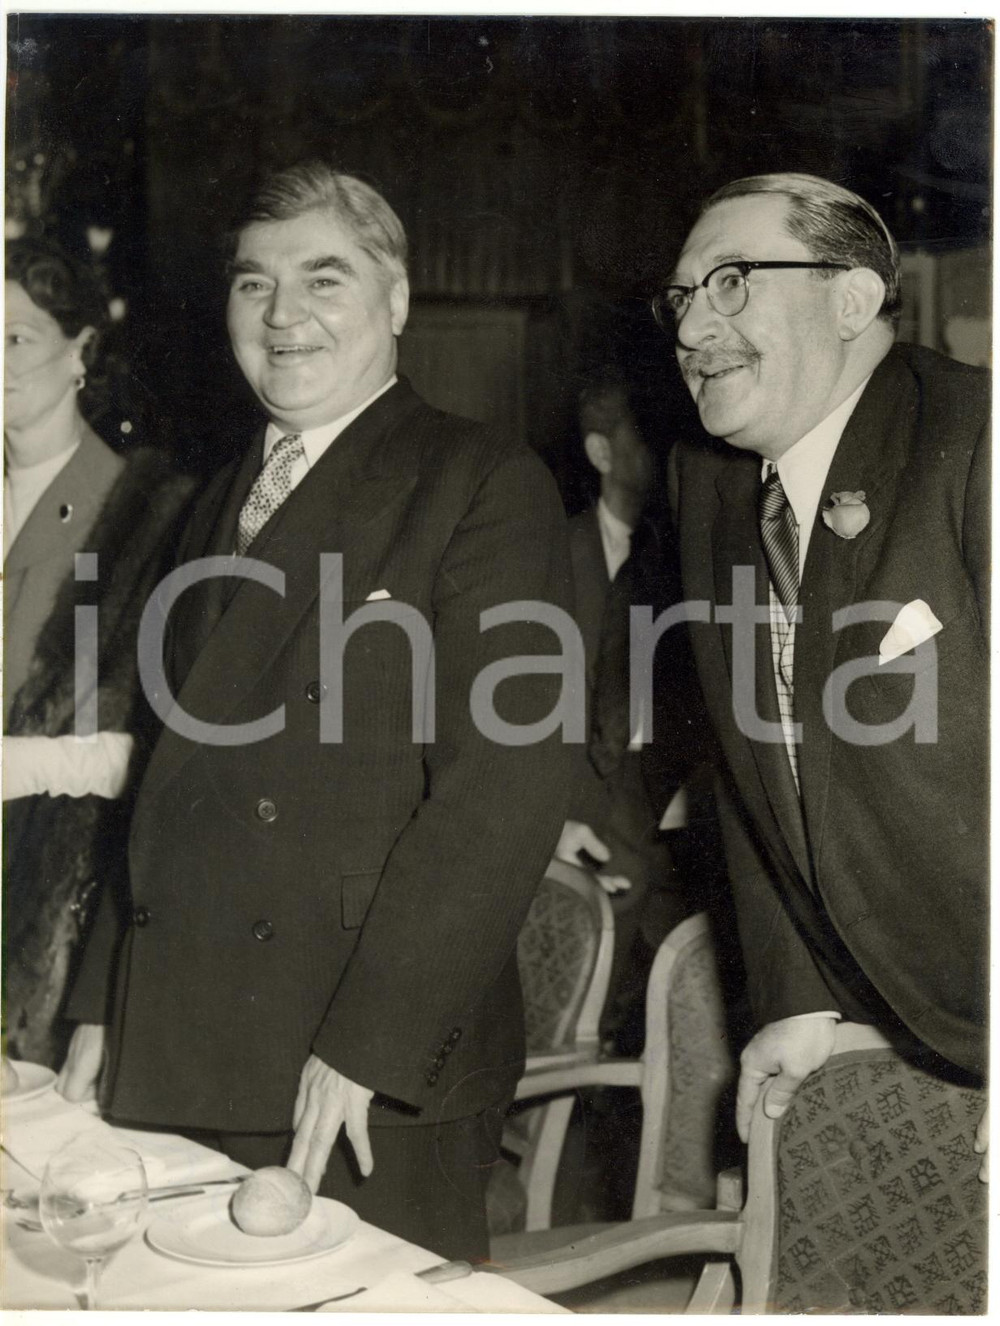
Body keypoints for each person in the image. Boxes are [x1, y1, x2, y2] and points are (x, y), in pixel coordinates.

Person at [58, 162, 573, 1260]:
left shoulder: (480, 481)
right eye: (253, 285)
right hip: (188, 1024)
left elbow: (503, 790)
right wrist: (109, 991)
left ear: (394, 303)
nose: (283, 316)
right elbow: (169, 770)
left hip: (355, 1061)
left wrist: (367, 1045)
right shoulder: (222, 490)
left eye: (323, 280)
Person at [656, 174, 987, 1150]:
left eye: (729, 283)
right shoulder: (712, 489)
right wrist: (799, 995)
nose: (689, 329)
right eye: (680, 298)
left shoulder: (976, 439)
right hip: (880, 1015)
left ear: (849, 298)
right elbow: (752, 770)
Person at [3, 237, 194, 1067]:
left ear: (80, 350)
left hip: (51, 911)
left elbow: (168, 759)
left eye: (15, 337)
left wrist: (26, 765)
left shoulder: (147, 517)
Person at [554, 368, 695, 1042]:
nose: (664, 456)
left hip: (673, 802)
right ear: (601, 453)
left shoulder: (689, 555)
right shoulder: (546, 557)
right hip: (585, 803)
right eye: (645, 442)